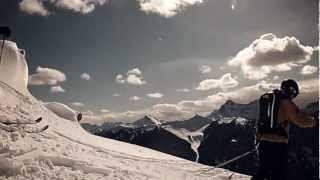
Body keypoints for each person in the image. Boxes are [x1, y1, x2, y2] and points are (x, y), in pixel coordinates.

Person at [251, 79, 317, 180]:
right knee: (279, 174)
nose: (294, 97)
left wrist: (258, 139)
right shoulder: (285, 102)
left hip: (263, 142)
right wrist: (315, 122)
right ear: (291, 90)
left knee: (263, 171)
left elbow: (259, 121)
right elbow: (299, 120)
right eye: (294, 93)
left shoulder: (268, 99)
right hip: (278, 143)